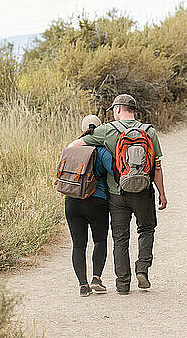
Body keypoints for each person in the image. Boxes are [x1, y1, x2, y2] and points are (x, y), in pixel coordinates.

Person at [68, 94, 167, 295]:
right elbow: (157, 167)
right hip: (144, 192)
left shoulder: (107, 130)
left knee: (120, 237)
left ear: (118, 110)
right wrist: (162, 194)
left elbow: (74, 147)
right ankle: (142, 270)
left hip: (117, 194)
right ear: (134, 110)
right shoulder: (149, 131)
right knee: (146, 229)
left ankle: (122, 284)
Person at [65, 115, 114, 297]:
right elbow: (115, 171)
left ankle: (83, 285)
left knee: (78, 245)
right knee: (99, 241)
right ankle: (96, 278)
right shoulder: (101, 151)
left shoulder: (71, 149)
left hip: (72, 201)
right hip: (97, 201)